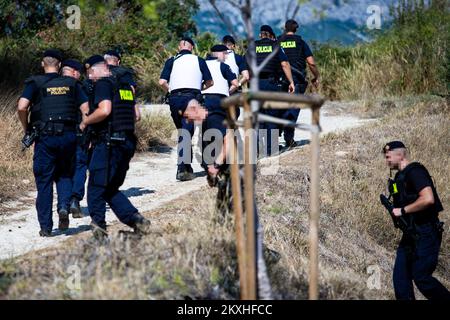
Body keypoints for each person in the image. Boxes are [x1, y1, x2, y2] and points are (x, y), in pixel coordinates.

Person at [17, 49, 89, 236]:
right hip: (68, 136)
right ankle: (63, 207)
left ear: (43, 64)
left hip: (45, 137)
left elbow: (22, 106)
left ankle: (46, 228)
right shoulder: (72, 83)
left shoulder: (34, 83)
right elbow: (86, 109)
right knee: (65, 174)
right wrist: (81, 128)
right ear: (59, 65)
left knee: (44, 181)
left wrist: (27, 129)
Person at [80, 55, 150, 240]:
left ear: (97, 69)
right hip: (126, 143)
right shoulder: (125, 87)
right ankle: (136, 221)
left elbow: (104, 110)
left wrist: (86, 121)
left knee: (96, 186)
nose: (89, 77)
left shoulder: (103, 83)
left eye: (89, 73)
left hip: (108, 144)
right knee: (110, 188)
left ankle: (99, 232)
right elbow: (136, 115)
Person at [383, 141, 450, 300]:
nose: (386, 160)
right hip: (411, 233)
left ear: (400, 155)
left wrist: (403, 210)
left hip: (427, 232)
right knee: (400, 280)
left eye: (388, 156)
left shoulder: (415, 172)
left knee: (421, 277)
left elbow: (428, 199)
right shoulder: (399, 177)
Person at [159, 37, 213, 181]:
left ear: (179, 47)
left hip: (175, 99)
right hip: (191, 98)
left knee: (183, 133)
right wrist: (199, 88)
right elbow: (210, 82)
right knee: (186, 133)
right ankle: (182, 169)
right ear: (192, 47)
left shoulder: (171, 61)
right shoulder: (199, 60)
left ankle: (186, 167)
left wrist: (170, 90)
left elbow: (162, 81)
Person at [252, 25, 295, 156]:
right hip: (271, 84)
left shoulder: (252, 46)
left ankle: (257, 150)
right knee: (272, 116)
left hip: (256, 84)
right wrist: (291, 82)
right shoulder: (276, 46)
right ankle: (272, 150)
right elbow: (285, 64)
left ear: (260, 35)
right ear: (270, 35)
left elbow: (246, 65)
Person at [278, 19, 320, 148]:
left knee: (278, 108)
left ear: (285, 28)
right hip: (297, 79)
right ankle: (289, 139)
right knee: (293, 108)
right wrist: (316, 76)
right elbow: (311, 62)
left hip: (279, 80)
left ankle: (275, 134)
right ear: (296, 29)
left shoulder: (278, 41)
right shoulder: (301, 42)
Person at [201, 44, 239, 183]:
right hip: (217, 101)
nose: (227, 56)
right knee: (227, 135)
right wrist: (226, 92)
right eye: (225, 53)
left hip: (201, 101)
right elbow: (235, 83)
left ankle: (208, 164)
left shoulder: (202, 63)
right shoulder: (222, 65)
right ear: (219, 54)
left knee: (206, 134)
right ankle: (216, 167)